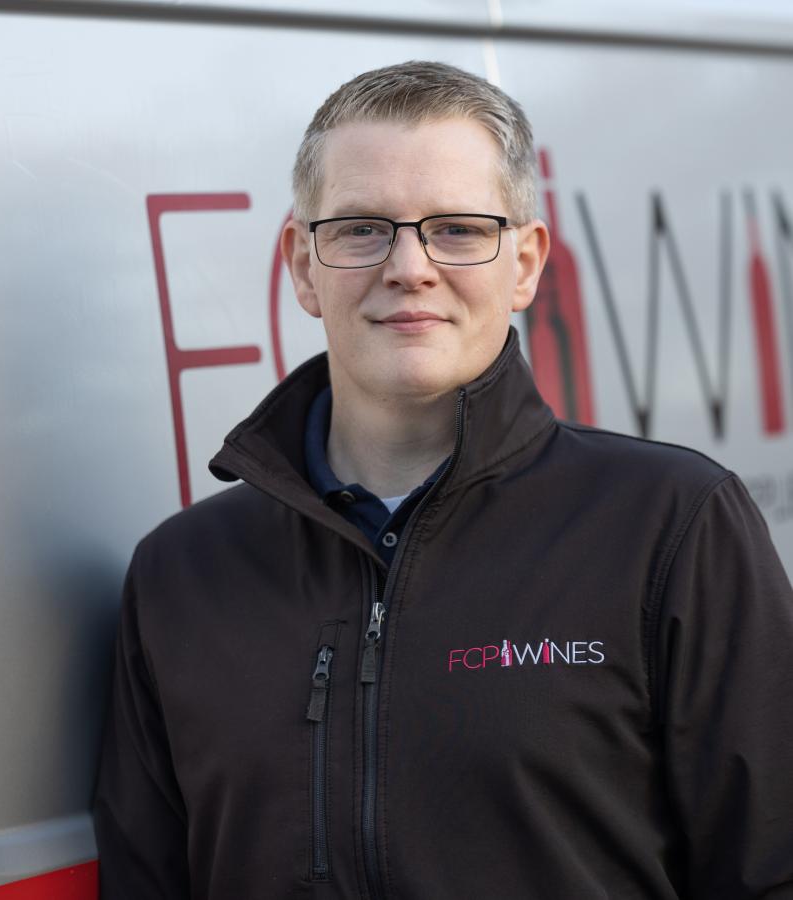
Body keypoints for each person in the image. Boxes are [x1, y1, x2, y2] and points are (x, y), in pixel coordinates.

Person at [93, 61, 793, 899]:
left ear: (526, 262)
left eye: (458, 229)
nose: (410, 267)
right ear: (303, 264)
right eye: (360, 229)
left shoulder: (669, 527)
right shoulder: (182, 575)